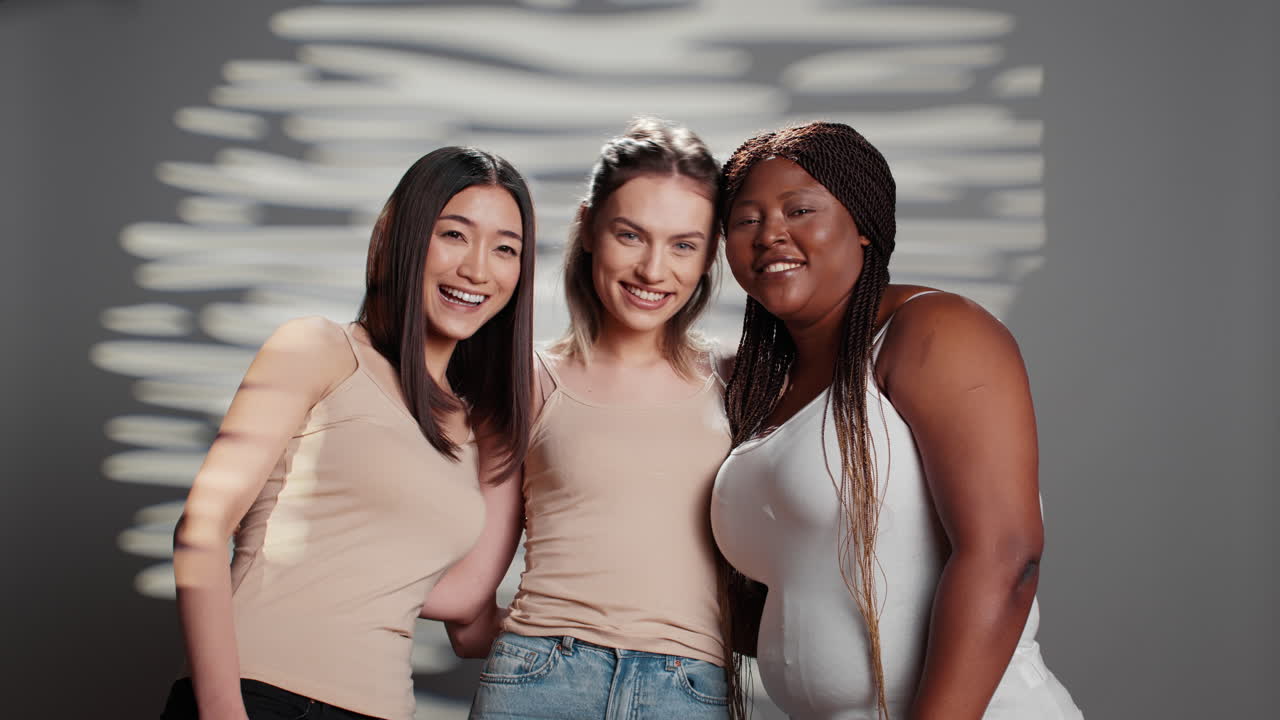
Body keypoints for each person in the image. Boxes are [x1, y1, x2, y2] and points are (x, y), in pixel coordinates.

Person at [711, 122, 1083, 719]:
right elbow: (799, 595)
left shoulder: (933, 331)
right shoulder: (756, 387)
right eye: (745, 220)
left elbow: (1006, 555)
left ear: (862, 226)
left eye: (799, 209)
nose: (770, 234)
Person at [161, 146, 537, 720]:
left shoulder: (479, 428)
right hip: (260, 697)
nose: (478, 269)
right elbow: (200, 533)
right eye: (454, 235)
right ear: (406, 236)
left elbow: (464, 608)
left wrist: (593, 628)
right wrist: (221, 711)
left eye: (505, 248)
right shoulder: (319, 349)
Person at [445, 117, 737, 720]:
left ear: (711, 254)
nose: (654, 270)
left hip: (688, 692)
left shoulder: (737, 382)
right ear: (588, 227)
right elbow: (470, 601)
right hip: (541, 677)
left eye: (684, 244)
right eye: (630, 235)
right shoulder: (530, 380)